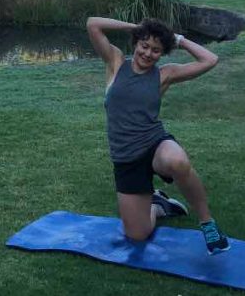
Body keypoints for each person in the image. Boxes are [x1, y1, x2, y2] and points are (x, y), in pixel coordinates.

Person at [86, 16, 229, 255]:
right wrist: (138, 28)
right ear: (136, 43)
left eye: (156, 50)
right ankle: (158, 204)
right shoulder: (116, 63)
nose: (148, 53)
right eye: (144, 45)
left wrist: (179, 40)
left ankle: (208, 224)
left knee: (178, 161)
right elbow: (93, 24)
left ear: (162, 54)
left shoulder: (164, 75)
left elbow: (210, 59)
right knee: (137, 234)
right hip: (126, 158)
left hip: (154, 144)